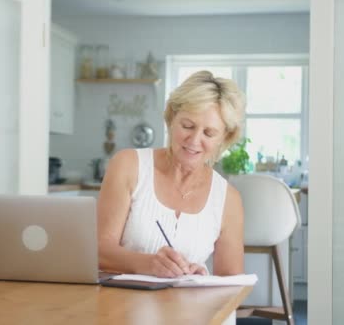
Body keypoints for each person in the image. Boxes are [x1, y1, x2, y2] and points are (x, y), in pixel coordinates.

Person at [97, 70, 246, 278]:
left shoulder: (228, 199)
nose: (194, 140)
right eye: (187, 126)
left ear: (225, 137)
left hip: (191, 308)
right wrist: (148, 264)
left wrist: (201, 276)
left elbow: (231, 284)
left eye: (209, 133)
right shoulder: (128, 165)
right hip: (122, 306)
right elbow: (99, 250)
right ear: (171, 118)